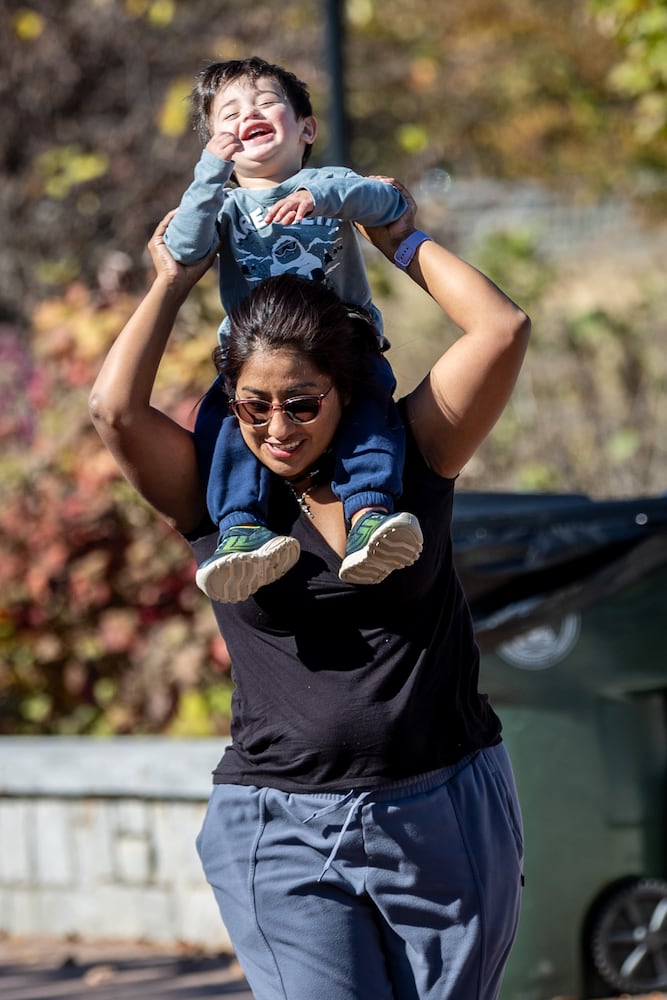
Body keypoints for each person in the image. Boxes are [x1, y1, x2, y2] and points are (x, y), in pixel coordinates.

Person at [89, 180, 531, 1000]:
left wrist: (397, 235)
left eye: (302, 403)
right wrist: (173, 278)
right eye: (253, 407)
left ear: (347, 388)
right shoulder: (213, 491)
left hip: (439, 809)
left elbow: (501, 330)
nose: (277, 430)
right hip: (276, 822)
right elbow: (115, 409)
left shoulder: (411, 454)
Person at [164, 56, 422, 603]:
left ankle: (370, 513)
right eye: (227, 114)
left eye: (263, 103)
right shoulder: (225, 205)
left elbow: (392, 201)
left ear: (306, 128)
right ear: (216, 143)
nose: (246, 115)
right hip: (253, 358)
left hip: (345, 345)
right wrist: (209, 173)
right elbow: (183, 247)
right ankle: (241, 527)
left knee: (371, 406)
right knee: (222, 421)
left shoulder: (330, 183)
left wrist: (327, 195)